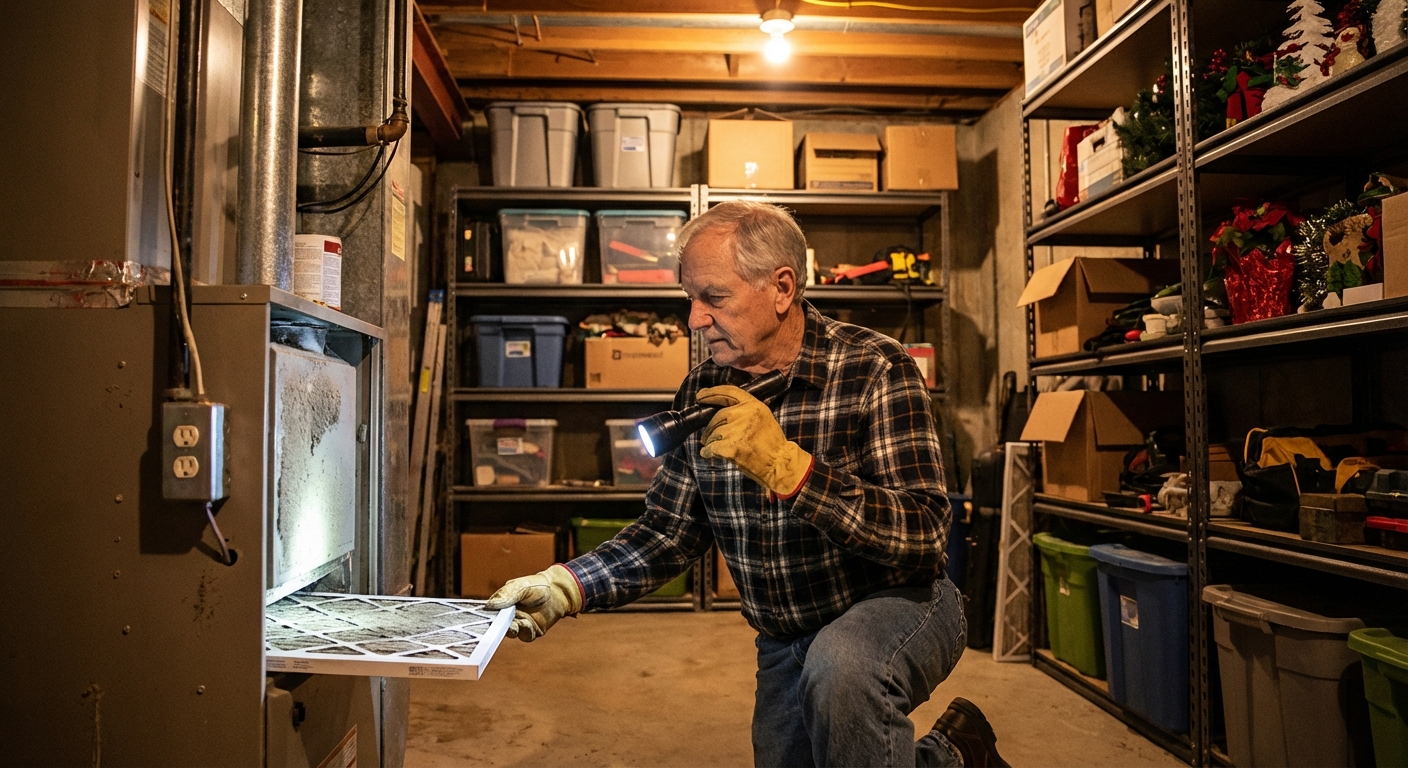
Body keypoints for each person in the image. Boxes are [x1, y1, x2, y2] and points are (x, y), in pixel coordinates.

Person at [486, 200, 1008, 768]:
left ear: (781, 288)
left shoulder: (875, 369)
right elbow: (668, 533)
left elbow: (925, 534)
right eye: (690, 298)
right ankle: (956, 756)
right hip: (784, 634)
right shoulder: (702, 391)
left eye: (713, 297)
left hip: (901, 604)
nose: (694, 319)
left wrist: (793, 471)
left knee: (843, 672)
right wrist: (567, 585)